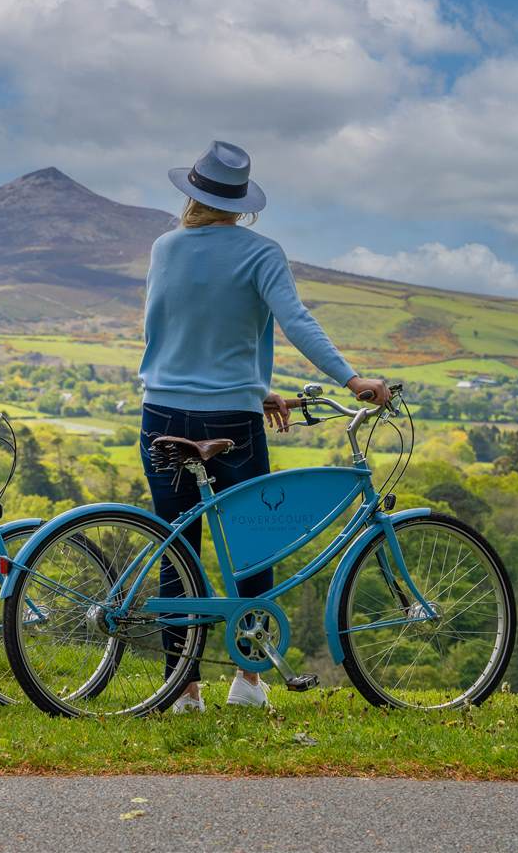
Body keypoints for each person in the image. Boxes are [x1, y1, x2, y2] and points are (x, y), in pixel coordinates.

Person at [138, 140, 390, 712]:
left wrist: (257, 388)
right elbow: (295, 321)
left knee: (179, 545)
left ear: (190, 193)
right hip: (230, 418)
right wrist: (352, 381)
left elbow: (174, 330)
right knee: (250, 544)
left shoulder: (163, 248)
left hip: (161, 412)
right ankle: (248, 681)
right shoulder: (261, 252)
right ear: (242, 205)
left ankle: (183, 688)